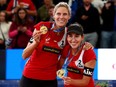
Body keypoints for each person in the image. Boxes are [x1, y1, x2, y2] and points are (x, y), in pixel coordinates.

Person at [20, 2, 93, 87]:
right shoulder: (42, 27)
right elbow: (24, 55)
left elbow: (64, 56)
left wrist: (86, 45)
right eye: (58, 14)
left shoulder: (68, 34)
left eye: (65, 14)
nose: (61, 17)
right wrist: (35, 43)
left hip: (50, 79)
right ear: (53, 15)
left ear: (69, 17)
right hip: (30, 77)